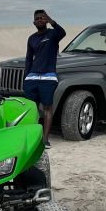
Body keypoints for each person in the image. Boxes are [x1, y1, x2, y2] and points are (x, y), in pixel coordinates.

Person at [23, 9, 66, 148]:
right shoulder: (31, 38)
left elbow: (62, 32)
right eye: (37, 18)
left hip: (48, 77)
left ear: (46, 20)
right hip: (32, 78)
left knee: (47, 108)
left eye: (42, 18)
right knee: (32, 109)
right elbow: (28, 59)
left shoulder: (53, 34)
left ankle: (45, 140)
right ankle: (32, 139)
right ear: (33, 22)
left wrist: (52, 20)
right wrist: (26, 78)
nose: (40, 20)